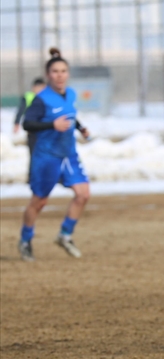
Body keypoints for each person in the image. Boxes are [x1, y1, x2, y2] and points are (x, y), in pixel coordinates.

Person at [18, 49, 91, 261]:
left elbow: (69, 114)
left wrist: (80, 128)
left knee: (83, 194)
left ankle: (65, 235)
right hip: (47, 156)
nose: (60, 75)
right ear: (48, 75)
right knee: (39, 201)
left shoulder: (70, 94)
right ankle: (25, 239)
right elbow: (27, 123)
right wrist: (52, 125)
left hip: (68, 153)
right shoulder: (41, 100)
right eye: (55, 71)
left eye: (63, 71)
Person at [13, 77, 46, 183]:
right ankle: (32, 178)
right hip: (33, 131)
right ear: (34, 87)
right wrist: (16, 123)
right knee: (33, 155)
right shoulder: (29, 97)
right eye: (40, 87)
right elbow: (21, 110)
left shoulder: (47, 97)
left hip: (45, 131)